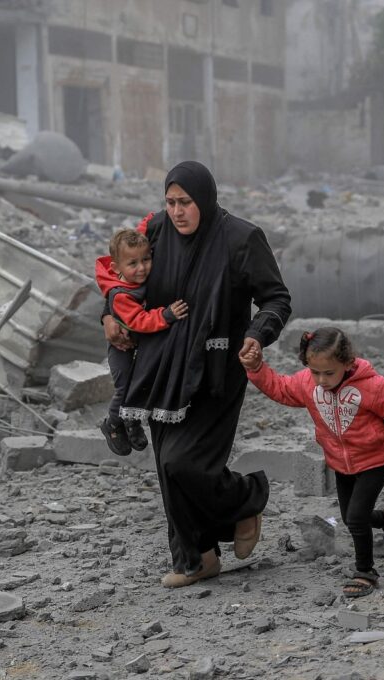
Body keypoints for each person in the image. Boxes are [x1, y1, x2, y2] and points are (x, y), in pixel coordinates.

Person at [101, 161, 291, 587]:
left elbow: (277, 298)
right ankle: (198, 557)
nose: (177, 211)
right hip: (159, 369)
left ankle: (246, 498)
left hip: (216, 370)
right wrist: (108, 317)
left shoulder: (241, 238)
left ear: (203, 198)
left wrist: (258, 335)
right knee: (168, 470)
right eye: (169, 202)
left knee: (184, 462)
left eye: (185, 202)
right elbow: (124, 281)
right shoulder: (156, 234)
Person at [239, 327, 384, 598]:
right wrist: (257, 367)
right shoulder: (308, 383)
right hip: (340, 464)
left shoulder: (372, 386)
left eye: (329, 373)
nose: (321, 380)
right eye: (315, 371)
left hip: (374, 461)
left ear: (347, 362)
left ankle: (366, 571)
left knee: (355, 518)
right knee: (351, 517)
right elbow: (281, 389)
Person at [94, 228, 188, 456]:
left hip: (140, 344)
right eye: (133, 264)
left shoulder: (139, 280)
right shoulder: (121, 294)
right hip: (122, 346)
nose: (142, 268)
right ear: (116, 269)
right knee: (125, 386)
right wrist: (166, 315)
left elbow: (147, 224)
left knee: (141, 383)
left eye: (146, 259)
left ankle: (131, 421)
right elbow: (139, 321)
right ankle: (114, 424)